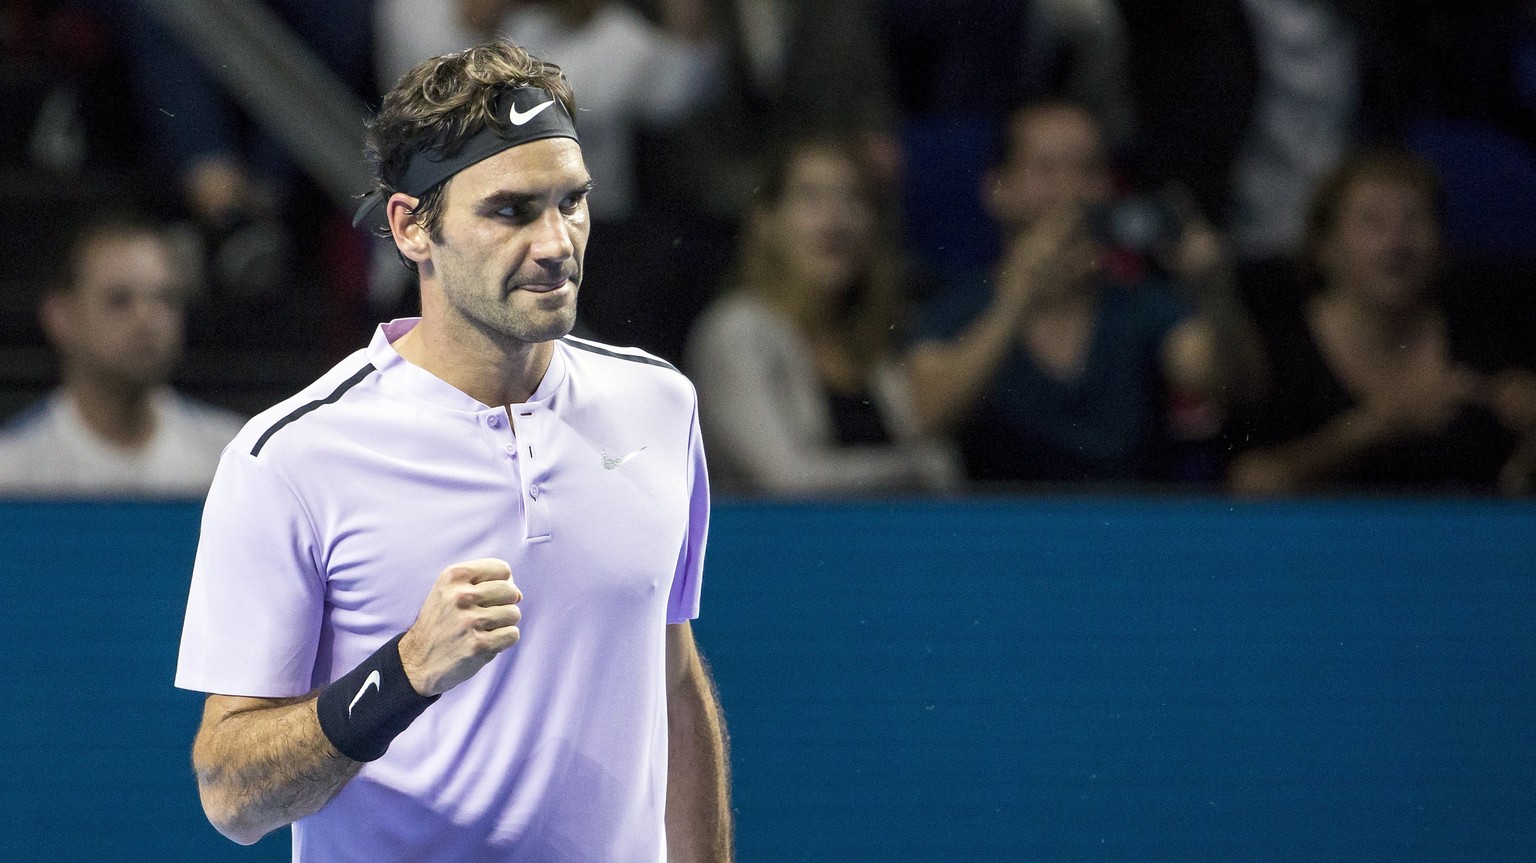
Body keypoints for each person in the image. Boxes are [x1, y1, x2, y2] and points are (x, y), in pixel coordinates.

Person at [174, 42, 731, 861]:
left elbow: (671, 676)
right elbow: (232, 796)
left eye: (571, 202)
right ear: (411, 228)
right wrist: (401, 674)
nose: (556, 242)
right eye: (510, 211)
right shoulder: (287, 459)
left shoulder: (662, 405)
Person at [906, 100, 1263, 486]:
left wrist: (1215, 295)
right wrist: (1018, 302)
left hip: (1128, 530)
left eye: (1088, 169)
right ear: (997, 189)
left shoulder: (1142, 306)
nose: (1071, 191)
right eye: (1046, 169)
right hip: (1001, 535)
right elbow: (927, 414)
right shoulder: (959, 306)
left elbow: (1232, 386)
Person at [1228, 149, 1536, 495]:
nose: (1397, 241)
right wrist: (1377, 426)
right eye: (1372, 221)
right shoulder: (1281, 341)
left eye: (1413, 219)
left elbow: (1511, 484)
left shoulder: (1484, 323)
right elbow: (1250, 482)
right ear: (1325, 248)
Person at [686, 136, 959, 495]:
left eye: (852, 198)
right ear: (767, 223)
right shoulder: (736, 331)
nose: (836, 216)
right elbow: (785, 479)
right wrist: (918, 468)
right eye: (811, 197)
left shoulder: (868, 338)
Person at [0, 214, 244, 497]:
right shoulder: (12, 471)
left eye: (165, 298)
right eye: (119, 300)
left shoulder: (231, 459)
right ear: (60, 316)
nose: (147, 319)